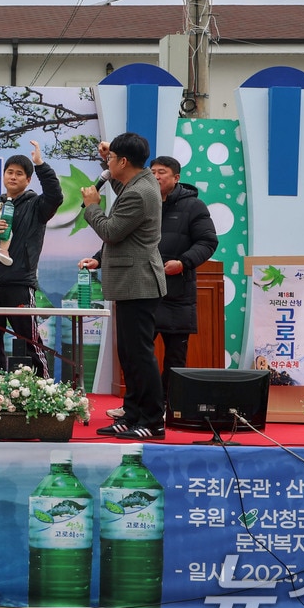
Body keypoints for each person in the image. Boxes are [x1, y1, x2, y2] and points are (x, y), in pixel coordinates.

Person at [85, 155, 219, 419]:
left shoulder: (193, 207)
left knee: (173, 357)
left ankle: (170, 407)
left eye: (162, 173)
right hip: (141, 288)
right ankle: (135, 407)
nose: (156, 177)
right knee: (134, 353)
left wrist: (183, 262)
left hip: (176, 292)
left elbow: (207, 242)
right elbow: (124, 237)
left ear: (176, 178)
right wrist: (99, 259)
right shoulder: (145, 199)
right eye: (153, 171)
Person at [79, 132, 168, 441]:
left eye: (112, 158)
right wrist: (108, 157)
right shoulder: (140, 183)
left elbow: (112, 231)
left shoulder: (140, 192)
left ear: (124, 161)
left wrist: (92, 206)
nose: (109, 162)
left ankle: (153, 421)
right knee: (129, 355)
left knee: (140, 355)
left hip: (138, 282)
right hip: (134, 282)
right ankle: (132, 416)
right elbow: (124, 187)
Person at [0, 140, 63, 375]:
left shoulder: (37, 205)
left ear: (28, 179)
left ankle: (43, 387)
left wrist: (40, 164)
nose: (13, 177)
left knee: (30, 341)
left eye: (20, 173)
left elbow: (55, 196)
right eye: (10, 172)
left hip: (19, 283)